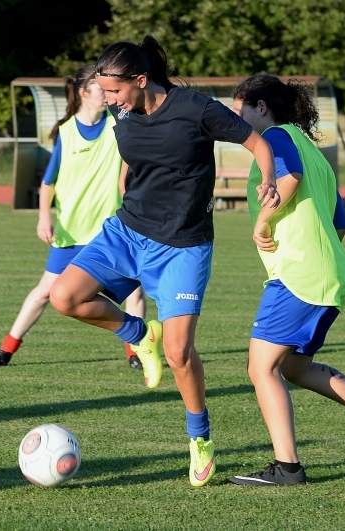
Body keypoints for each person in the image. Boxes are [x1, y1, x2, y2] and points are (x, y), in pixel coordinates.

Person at [49, 36, 280, 487]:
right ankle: (139, 333)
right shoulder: (123, 113)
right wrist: (123, 189)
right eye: (104, 90)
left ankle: (200, 439)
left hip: (183, 245)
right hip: (127, 231)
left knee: (179, 354)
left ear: (140, 80)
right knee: (64, 296)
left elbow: (258, 143)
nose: (108, 99)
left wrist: (268, 180)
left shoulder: (197, 109)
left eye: (114, 90)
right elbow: (130, 158)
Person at [227, 74, 345, 487]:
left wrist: (262, 221)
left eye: (240, 110)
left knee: (260, 369)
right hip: (329, 276)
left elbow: (288, 180)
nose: (236, 119)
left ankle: (287, 469)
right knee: (291, 366)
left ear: (261, 108)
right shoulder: (313, 149)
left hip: (299, 276)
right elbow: (339, 222)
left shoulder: (274, 138)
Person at [0, 65, 146, 369]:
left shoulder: (119, 123)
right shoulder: (67, 131)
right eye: (102, 90)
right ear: (84, 93)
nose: (108, 95)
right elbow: (48, 182)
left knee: (134, 290)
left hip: (110, 230)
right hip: (71, 230)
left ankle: (136, 352)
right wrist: (44, 217)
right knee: (45, 292)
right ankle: (6, 349)